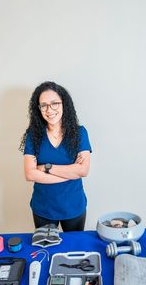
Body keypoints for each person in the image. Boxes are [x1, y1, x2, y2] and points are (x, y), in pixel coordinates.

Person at [20, 81, 92, 232]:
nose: (49, 110)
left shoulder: (80, 133)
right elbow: (30, 174)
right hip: (43, 208)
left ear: (64, 104)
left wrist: (47, 167)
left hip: (73, 206)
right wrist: (70, 173)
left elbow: (83, 171)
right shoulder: (33, 136)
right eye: (44, 105)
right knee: (47, 250)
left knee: (73, 250)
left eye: (55, 103)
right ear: (38, 108)